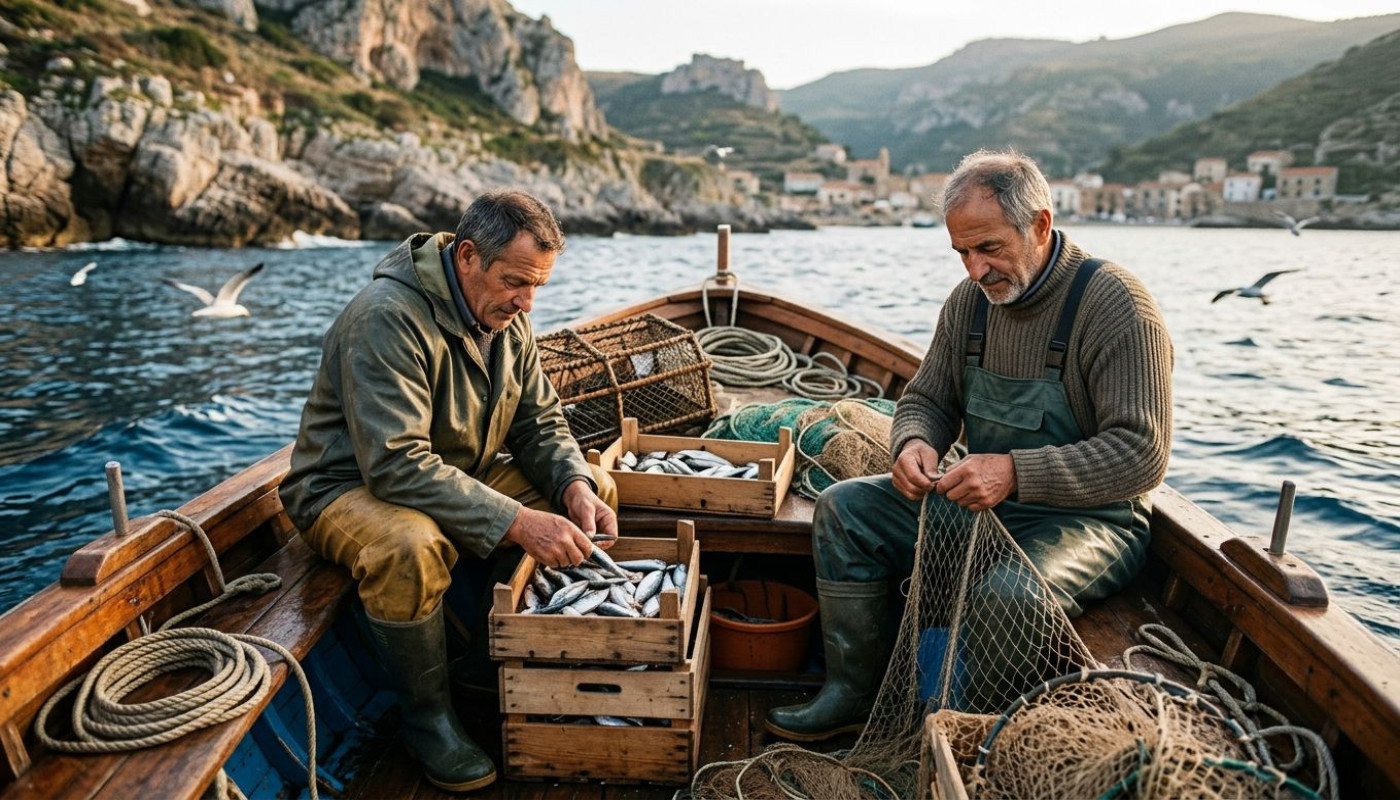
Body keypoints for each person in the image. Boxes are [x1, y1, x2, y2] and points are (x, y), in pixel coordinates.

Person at [766, 149, 1173, 740]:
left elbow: (1142, 453)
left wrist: (1013, 471)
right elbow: (927, 400)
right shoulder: (969, 304)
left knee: (1006, 595)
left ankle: (956, 736)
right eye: (961, 252)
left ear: (1039, 224)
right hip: (985, 505)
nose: (975, 270)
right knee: (845, 511)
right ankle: (852, 694)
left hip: (1093, 521)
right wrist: (913, 444)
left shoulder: (1116, 306)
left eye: (989, 248)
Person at [279, 190, 618, 792]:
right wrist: (517, 522)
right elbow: (395, 466)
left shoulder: (507, 317)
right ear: (466, 257)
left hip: (455, 469)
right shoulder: (386, 316)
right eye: (517, 281)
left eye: (537, 285)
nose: (527, 300)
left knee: (594, 489)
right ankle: (427, 717)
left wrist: (574, 483)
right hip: (346, 486)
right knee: (410, 547)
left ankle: (483, 661)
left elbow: (538, 421)